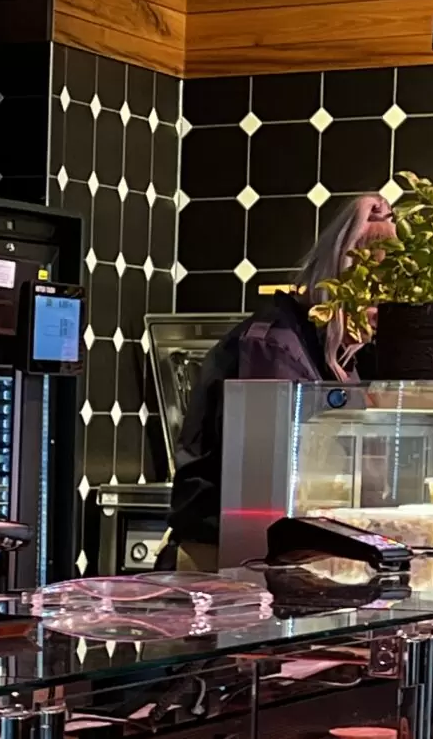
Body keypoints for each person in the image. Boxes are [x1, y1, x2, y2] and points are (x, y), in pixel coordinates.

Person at [167, 193, 397, 568]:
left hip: (295, 548)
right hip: (228, 554)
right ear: (339, 280)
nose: (379, 312)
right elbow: (260, 482)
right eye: (373, 294)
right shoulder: (272, 347)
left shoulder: (335, 352)